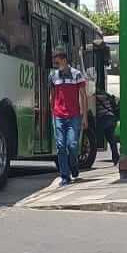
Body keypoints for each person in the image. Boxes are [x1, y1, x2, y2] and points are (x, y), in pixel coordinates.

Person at [49, 50, 90, 186]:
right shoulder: (53, 76)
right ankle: (65, 176)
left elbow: (83, 96)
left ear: (64, 60)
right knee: (60, 146)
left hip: (74, 116)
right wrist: (52, 113)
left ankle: (74, 166)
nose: (56, 64)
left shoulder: (77, 74)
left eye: (58, 61)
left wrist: (84, 117)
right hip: (58, 116)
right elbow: (52, 96)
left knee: (72, 145)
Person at [94, 88, 121, 166]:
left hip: (104, 118)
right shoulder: (106, 95)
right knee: (112, 140)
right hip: (112, 118)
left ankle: (90, 153)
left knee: (95, 136)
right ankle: (116, 158)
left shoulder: (95, 96)